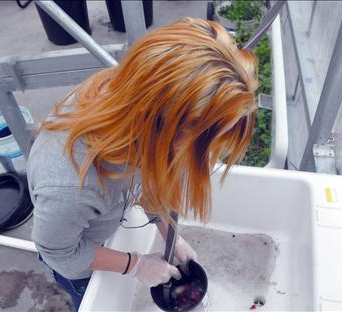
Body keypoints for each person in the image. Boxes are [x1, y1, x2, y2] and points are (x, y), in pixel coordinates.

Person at [27, 17, 258, 311]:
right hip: (76, 258)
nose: (201, 160)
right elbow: (58, 253)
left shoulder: (131, 96)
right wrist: (134, 265)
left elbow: (153, 168)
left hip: (102, 214)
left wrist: (170, 234)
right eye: (196, 147)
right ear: (157, 127)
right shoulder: (69, 185)